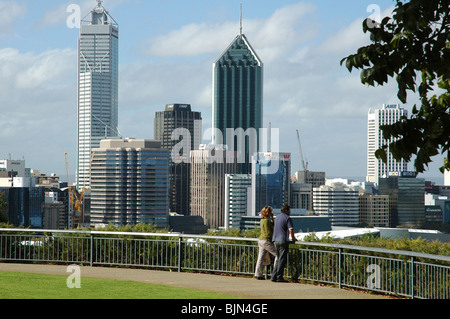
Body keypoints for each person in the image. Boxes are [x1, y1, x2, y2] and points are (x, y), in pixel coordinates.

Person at [271, 204, 297, 282]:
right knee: (281, 259)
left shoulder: (277, 217)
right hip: (283, 240)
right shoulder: (287, 218)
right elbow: (291, 229)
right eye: (289, 210)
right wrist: (293, 238)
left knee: (278, 259)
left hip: (275, 240)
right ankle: (279, 277)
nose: (290, 212)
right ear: (286, 210)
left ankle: (273, 276)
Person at [254, 206, 277, 280]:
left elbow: (272, 225)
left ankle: (258, 274)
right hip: (266, 240)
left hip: (261, 240)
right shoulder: (267, 221)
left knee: (260, 258)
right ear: (268, 213)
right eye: (270, 212)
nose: (271, 213)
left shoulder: (262, 220)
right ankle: (275, 273)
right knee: (278, 255)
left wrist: (272, 218)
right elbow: (269, 231)